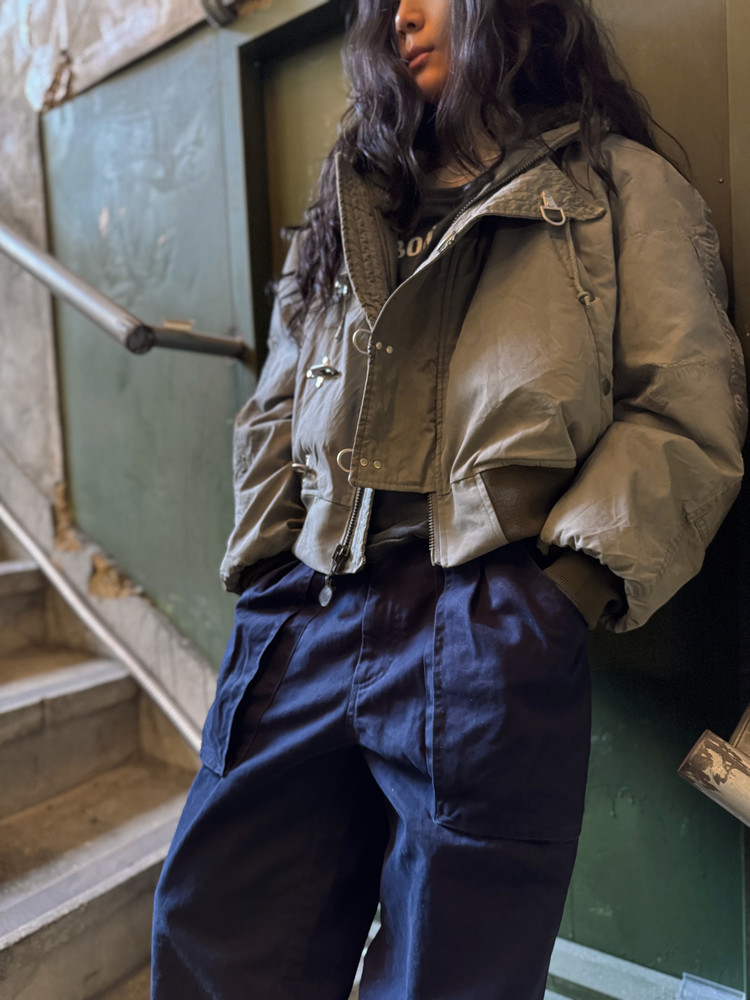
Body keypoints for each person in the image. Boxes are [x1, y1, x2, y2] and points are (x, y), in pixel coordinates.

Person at [151, 0, 746, 996]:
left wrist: (559, 594)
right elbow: (276, 404)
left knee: (452, 974)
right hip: (305, 609)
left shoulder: (619, 189)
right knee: (217, 938)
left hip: (486, 628)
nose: (401, 16)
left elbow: (684, 414)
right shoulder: (352, 200)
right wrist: (266, 569)